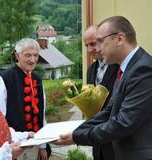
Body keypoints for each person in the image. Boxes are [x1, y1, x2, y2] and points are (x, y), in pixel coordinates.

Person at [54, 16, 152, 160]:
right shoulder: (127, 68)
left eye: (100, 41)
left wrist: (77, 137)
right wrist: (75, 132)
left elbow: (124, 123)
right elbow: (108, 112)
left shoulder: (143, 69)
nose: (97, 49)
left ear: (119, 39)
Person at [0, 38, 50, 160]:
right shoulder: (3, 78)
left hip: (35, 143)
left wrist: (43, 146)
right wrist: (6, 147)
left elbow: (42, 115)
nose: (33, 60)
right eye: (28, 55)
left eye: (35, 55)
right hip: (14, 144)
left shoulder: (37, 79)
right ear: (17, 56)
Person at [84, 25, 119, 160]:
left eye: (92, 44)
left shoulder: (119, 65)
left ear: (102, 40)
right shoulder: (91, 69)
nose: (89, 50)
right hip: (97, 142)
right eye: (86, 45)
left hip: (116, 141)